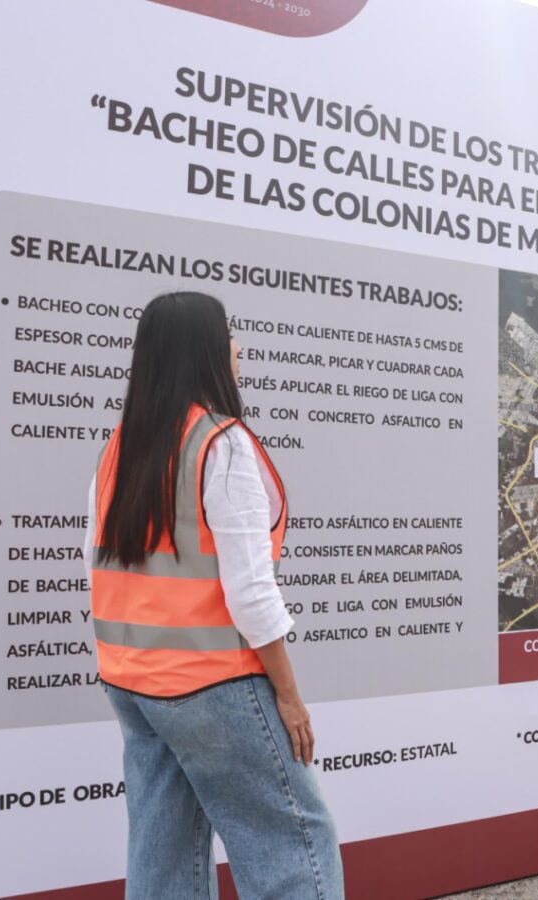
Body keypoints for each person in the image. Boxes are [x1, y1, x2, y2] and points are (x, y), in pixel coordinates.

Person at [84, 291, 344, 899]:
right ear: (204, 349)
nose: (238, 347)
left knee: (162, 846)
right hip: (215, 683)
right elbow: (250, 593)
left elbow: (97, 564)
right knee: (292, 844)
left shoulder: (117, 448)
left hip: (131, 682)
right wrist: (289, 694)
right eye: (230, 334)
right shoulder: (220, 443)